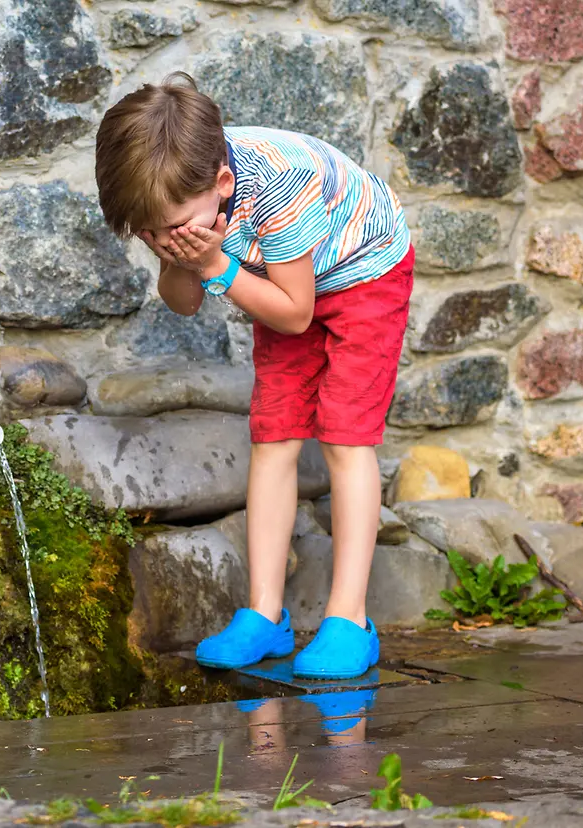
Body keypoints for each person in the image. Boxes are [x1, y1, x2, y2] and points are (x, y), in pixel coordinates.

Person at [94, 73, 413, 679]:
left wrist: (214, 260)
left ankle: (350, 619)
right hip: (283, 283)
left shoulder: (279, 183)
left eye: (174, 228)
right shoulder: (171, 197)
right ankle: (265, 616)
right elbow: (184, 301)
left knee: (346, 437)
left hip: (364, 271)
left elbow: (295, 315)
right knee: (273, 434)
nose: (165, 240)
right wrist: (187, 259)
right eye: (151, 235)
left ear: (221, 184)